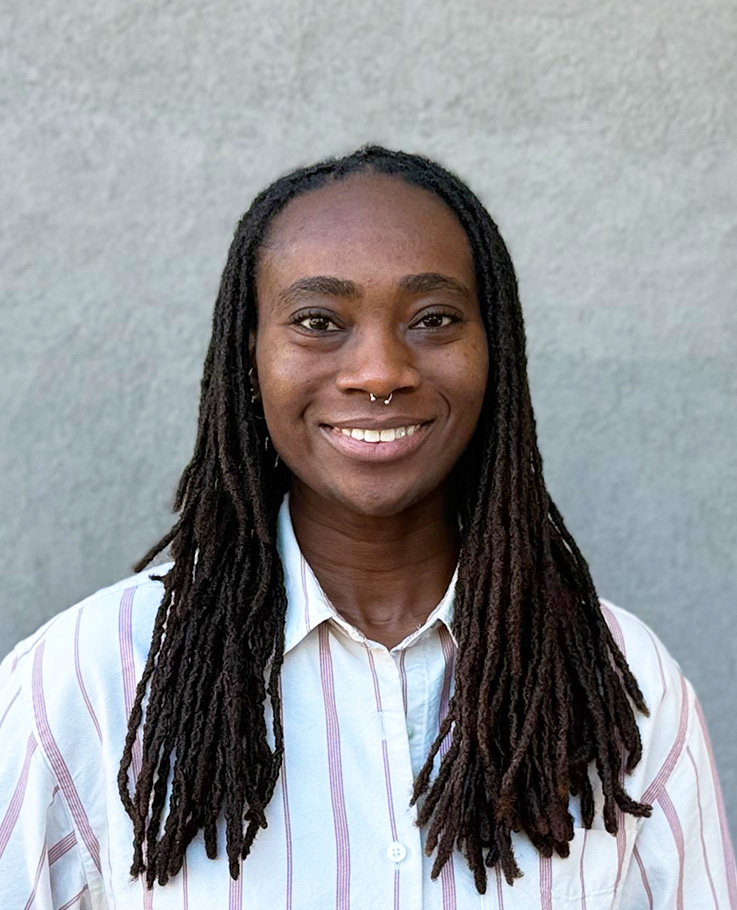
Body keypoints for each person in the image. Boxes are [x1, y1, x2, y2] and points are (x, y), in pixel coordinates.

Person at [0, 146, 735, 910]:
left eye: (434, 319)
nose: (380, 371)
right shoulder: (88, 679)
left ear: (495, 348)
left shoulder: (625, 684)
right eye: (317, 321)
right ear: (250, 353)